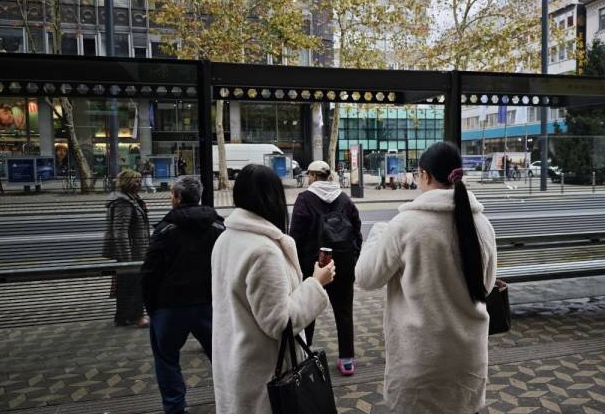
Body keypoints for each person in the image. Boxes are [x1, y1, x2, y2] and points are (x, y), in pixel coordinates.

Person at [355, 141, 497, 414]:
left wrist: (375, 235)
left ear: (425, 175)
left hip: (420, 362)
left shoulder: (404, 226)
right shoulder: (482, 224)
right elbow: (486, 286)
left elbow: (365, 278)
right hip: (468, 359)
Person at [211, 164, 336, 414]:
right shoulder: (263, 251)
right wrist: (316, 283)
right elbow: (280, 322)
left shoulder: (226, 239)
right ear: (274, 198)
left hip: (235, 361)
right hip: (264, 373)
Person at [141, 176, 224, 414]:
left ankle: (175, 408)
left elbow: (150, 271)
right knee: (221, 356)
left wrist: (152, 307)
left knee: (166, 359)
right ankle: (230, 401)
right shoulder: (217, 226)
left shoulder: (165, 229)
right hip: (209, 304)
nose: (170, 198)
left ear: (178, 198)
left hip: (169, 305)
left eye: (171, 195)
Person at [289, 160, 362, 376]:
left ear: (312, 176)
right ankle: (347, 359)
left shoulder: (304, 199)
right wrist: (352, 257)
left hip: (313, 265)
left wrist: (299, 265)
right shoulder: (344, 198)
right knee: (344, 311)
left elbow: (295, 236)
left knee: (308, 310)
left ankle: (305, 354)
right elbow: (357, 232)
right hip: (343, 264)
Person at [103, 169, 151, 328]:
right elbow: (120, 231)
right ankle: (137, 316)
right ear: (127, 183)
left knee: (126, 284)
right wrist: (127, 259)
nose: (139, 184)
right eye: (136, 181)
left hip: (134, 250)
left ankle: (122, 317)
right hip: (131, 252)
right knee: (135, 284)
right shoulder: (123, 202)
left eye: (139, 180)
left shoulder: (132, 199)